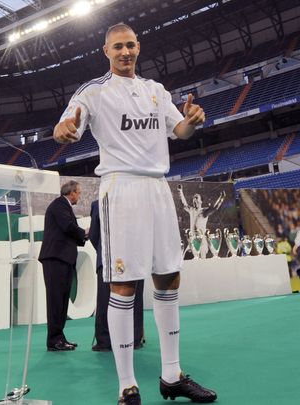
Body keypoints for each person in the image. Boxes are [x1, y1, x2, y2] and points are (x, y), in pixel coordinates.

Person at [53, 23, 217, 405]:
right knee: (123, 285)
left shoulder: (155, 91)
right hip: (120, 189)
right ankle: (127, 385)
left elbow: (180, 130)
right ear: (105, 51)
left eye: (130, 46)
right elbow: (69, 125)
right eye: (117, 47)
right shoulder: (93, 92)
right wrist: (64, 128)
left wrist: (192, 122)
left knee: (168, 278)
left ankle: (172, 375)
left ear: (138, 47)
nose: (125, 52)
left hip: (159, 187)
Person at [89, 199, 144, 352]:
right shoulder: (139, 201)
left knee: (105, 299)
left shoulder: (99, 203)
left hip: (109, 257)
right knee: (135, 298)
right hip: (135, 257)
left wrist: (101, 249)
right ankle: (134, 338)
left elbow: (93, 235)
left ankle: (105, 341)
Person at [39, 180, 87, 352]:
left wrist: (82, 235)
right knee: (56, 300)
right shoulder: (59, 204)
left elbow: (68, 229)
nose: (79, 196)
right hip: (55, 259)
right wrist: (85, 233)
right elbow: (68, 226)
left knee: (61, 300)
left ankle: (59, 338)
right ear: (71, 192)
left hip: (62, 259)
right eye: (78, 193)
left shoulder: (63, 206)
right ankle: (54, 340)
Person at [178, 185, 226, 258]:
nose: (194, 199)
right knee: (185, 259)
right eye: (194, 198)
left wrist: (221, 198)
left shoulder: (204, 211)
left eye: (196, 198)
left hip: (202, 242)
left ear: (201, 201)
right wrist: (180, 191)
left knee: (201, 262)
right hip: (192, 240)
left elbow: (215, 208)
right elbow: (184, 204)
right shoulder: (191, 210)